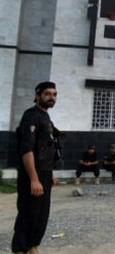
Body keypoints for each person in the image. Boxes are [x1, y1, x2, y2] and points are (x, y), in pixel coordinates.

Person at [12, 81, 62, 254]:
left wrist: (50, 174)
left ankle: (32, 246)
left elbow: (47, 148)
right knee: (28, 212)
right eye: (47, 94)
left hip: (45, 172)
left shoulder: (45, 117)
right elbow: (27, 149)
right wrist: (34, 179)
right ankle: (20, 249)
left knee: (41, 214)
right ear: (38, 95)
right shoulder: (31, 116)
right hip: (32, 173)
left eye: (54, 94)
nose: (52, 98)